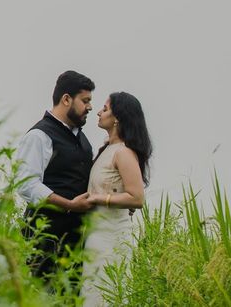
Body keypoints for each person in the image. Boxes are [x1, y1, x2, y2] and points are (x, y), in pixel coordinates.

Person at [15, 70, 96, 285]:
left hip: (76, 239)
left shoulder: (83, 140)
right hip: (45, 237)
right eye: (85, 100)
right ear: (66, 99)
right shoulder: (39, 135)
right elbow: (27, 184)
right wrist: (69, 204)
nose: (90, 107)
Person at [81, 92, 153, 306]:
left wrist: (99, 199)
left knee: (107, 297)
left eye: (105, 108)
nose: (99, 112)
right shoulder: (107, 150)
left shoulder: (123, 153)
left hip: (112, 240)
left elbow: (137, 198)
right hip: (96, 237)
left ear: (117, 117)